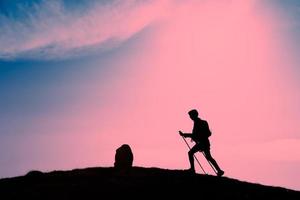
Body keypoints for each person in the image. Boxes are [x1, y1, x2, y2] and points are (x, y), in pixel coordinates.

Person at [179, 109, 224, 176]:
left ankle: (192, 169)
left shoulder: (197, 123)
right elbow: (208, 133)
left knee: (190, 153)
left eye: (191, 116)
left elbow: (195, 134)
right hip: (205, 143)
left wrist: (184, 135)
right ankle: (219, 170)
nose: (190, 117)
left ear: (194, 115)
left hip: (202, 143)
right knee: (208, 157)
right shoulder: (203, 122)